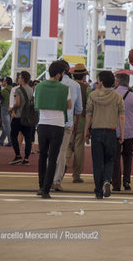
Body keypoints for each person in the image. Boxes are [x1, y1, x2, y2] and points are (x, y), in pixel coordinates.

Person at [84, 71, 125, 199]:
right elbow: (122, 117)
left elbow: (89, 115)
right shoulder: (118, 97)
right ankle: (107, 180)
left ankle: (98, 190)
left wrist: (86, 130)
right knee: (109, 160)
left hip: (96, 131)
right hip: (111, 131)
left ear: (101, 81)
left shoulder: (93, 96)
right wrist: (122, 134)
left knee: (97, 162)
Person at [35, 61, 72, 199]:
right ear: (58, 74)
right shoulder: (64, 88)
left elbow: (37, 105)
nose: (63, 76)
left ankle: (40, 186)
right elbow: (69, 106)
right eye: (63, 73)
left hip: (43, 124)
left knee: (42, 155)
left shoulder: (39, 86)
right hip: (58, 125)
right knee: (53, 158)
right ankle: (46, 189)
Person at [52, 60, 82, 191]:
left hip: (50, 122)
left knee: (50, 152)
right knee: (62, 153)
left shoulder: (49, 83)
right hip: (67, 123)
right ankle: (57, 181)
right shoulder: (75, 85)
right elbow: (79, 109)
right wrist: (76, 123)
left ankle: (47, 178)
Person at [113, 73, 133, 191]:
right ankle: (126, 181)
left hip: (114, 131)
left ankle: (115, 183)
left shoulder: (112, 95)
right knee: (128, 157)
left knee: (115, 158)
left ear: (118, 82)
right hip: (129, 132)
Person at [66, 64, 91, 183]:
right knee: (79, 148)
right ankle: (76, 175)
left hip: (68, 119)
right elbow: (90, 107)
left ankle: (63, 166)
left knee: (67, 145)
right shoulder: (87, 89)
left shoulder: (69, 85)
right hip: (81, 121)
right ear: (84, 76)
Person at [8, 71, 34, 166]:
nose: (18, 79)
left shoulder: (19, 90)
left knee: (13, 135)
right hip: (28, 118)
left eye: (19, 77)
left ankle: (18, 155)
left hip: (19, 117)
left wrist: (12, 108)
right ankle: (26, 158)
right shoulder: (31, 89)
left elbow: (18, 103)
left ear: (22, 79)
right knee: (28, 138)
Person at [0, 77, 13, 147]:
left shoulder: (3, 91)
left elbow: (0, 100)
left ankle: (10, 141)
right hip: (12, 108)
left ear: (6, 82)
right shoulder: (14, 89)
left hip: (5, 108)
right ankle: (1, 140)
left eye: (4, 81)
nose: (3, 82)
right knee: (7, 124)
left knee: (6, 125)